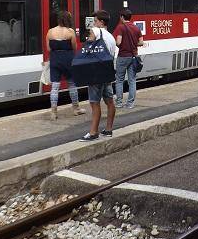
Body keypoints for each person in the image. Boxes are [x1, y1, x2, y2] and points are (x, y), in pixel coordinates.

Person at [81, 10, 117, 141]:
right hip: (107, 73)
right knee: (109, 101)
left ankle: (93, 132)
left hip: (96, 73)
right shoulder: (111, 37)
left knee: (94, 102)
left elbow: (87, 49)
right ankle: (108, 129)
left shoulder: (96, 31)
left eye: (95, 21)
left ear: (101, 22)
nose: (93, 23)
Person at [46, 11, 84, 119]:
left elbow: (48, 48)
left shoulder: (50, 32)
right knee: (72, 84)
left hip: (55, 60)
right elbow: (74, 47)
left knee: (55, 86)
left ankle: (53, 112)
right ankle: (76, 109)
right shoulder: (70, 31)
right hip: (68, 60)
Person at [112, 8, 143, 108]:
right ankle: (130, 103)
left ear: (122, 17)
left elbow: (118, 42)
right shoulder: (136, 28)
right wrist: (134, 44)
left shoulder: (120, 27)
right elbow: (141, 42)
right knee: (132, 80)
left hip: (123, 56)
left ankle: (119, 102)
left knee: (120, 80)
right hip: (133, 57)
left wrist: (118, 44)